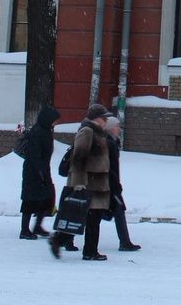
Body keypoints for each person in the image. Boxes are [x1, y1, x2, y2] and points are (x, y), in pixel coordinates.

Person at [50, 103, 112, 261]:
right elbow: (78, 158)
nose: (106, 121)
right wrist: (78, 182)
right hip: (87, 183)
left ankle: (88, 250)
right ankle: (63, 241)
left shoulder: (98, 133)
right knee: (84, 217)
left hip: (96, 183)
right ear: (97, 118)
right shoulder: (87, 131)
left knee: (91, 218)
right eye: (104, 118)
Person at [19, 105, 59, 240]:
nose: (55, 123)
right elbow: (34, 155)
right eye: (54, 120)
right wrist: (41, 172)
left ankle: (37, 226)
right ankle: (24, 230)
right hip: (33, 171)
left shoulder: (45, 130)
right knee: (29, 200)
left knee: (46, 198)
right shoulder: (38, 132)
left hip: (42, 169)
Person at [104, 116, 141, 251]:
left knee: (116, 210)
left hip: (111, 183)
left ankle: (125, 242)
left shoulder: (113, 142)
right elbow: (108, 166)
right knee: (95, 211)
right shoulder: (108, 143)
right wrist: (114, 183)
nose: (119, 129)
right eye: (116, 126)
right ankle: (64, 237)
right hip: (108, 183)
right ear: (109, 128)